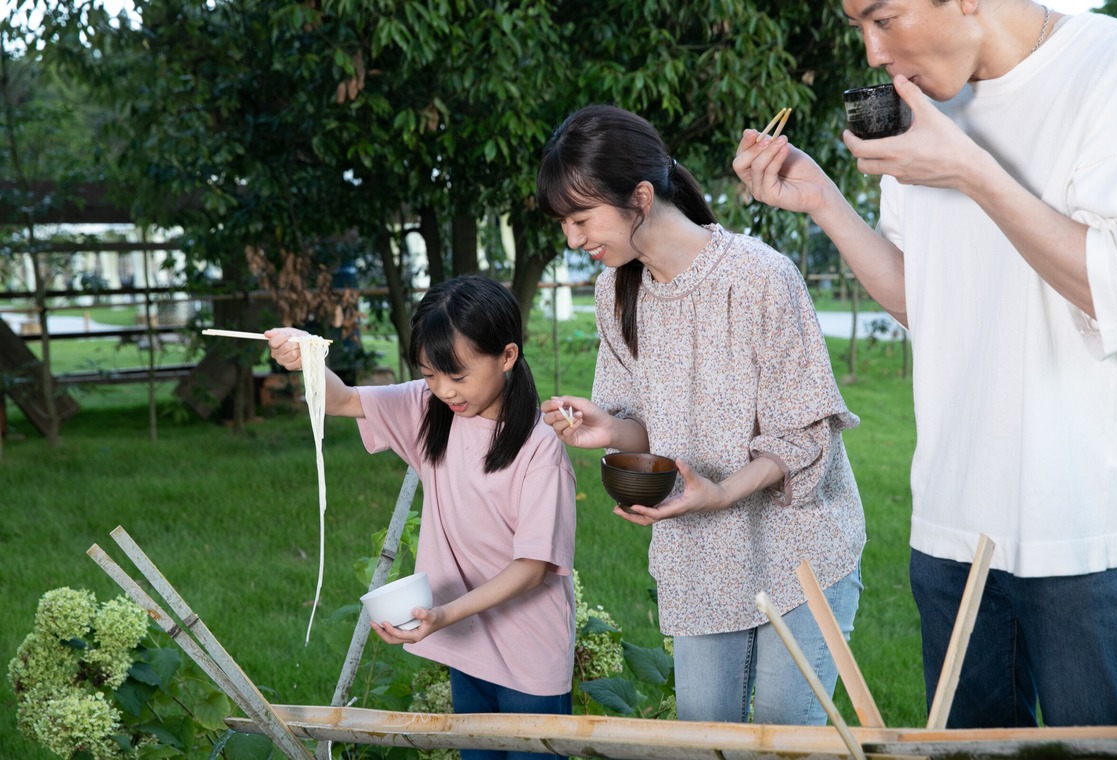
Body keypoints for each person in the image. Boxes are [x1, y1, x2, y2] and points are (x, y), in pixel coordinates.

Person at [732, 0, 1117, 728]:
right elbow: (926, 298)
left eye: (882, 18)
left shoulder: (1115, 69)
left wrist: (970, 170)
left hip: (1087, 535)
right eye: (858, 26)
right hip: (951, 528)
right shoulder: (919, 112)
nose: (871, 53)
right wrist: (822, 198)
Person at [535, 104, 866, 725]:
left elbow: (801, 435)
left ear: (639, 197)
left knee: (781, 738)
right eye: (564, 223)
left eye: (581, 219)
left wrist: (718, 492)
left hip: (801, 556)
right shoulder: (617, 290)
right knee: (703, 738)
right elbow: (639, 422)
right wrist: (611, 429)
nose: (573, 241)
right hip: (697, 561)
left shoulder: (761, 277)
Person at [267, 276, 578, 759]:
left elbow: (533, 566)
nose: (445, 390)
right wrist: (307, 356)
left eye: (458, 376)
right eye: (431, 374)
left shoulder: (539, 447)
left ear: (508, 357)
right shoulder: (428, 407)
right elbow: (343, 399)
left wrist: (443, 615)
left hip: (528, 654)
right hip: (468, 647)